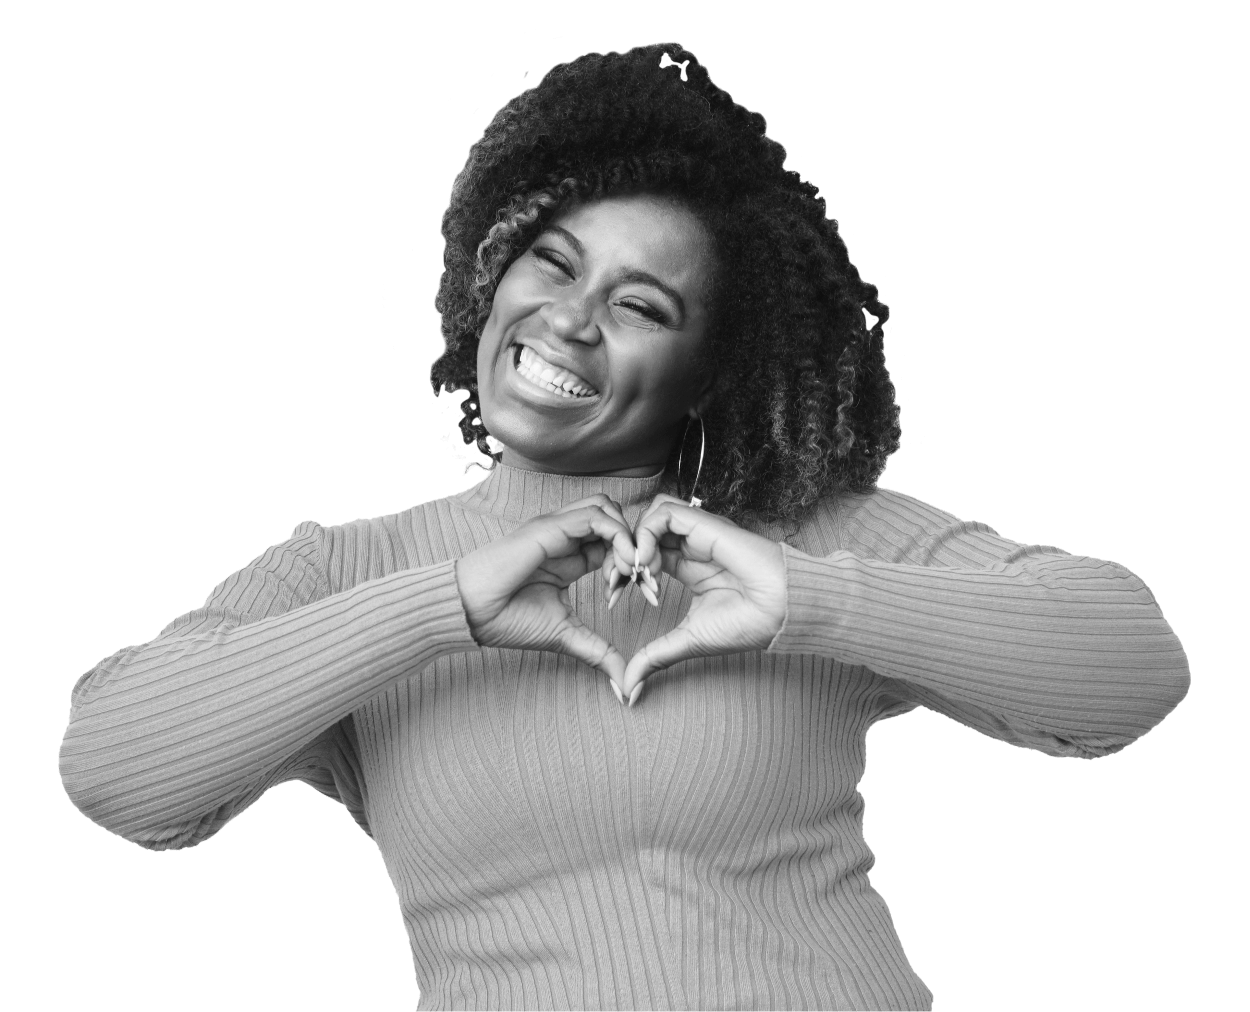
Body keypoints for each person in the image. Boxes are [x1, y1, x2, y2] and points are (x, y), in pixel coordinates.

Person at [58, 42, 1190, 1012]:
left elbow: (1132, 670)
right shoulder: (354, 567)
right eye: (551, 263)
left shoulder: (791, 535)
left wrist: (812, 598)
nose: (569, 319)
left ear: (709, 373)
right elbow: (118, 774)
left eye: (639, 306)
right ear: (490, 273)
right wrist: (439, 607)